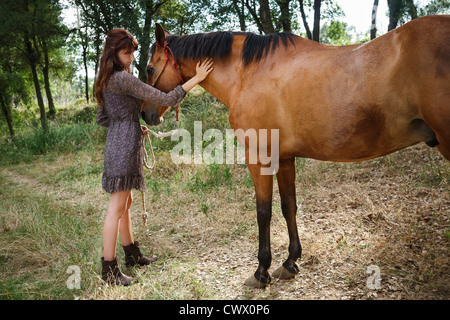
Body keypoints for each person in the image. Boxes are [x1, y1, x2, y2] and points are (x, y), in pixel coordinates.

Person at [94, 28, 213, 286]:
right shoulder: (124, 80)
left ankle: (132, 254)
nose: (132, 58)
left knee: (125, 205)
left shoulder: (105, 80)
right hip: (125, 147)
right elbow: (167, 97)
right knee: (116, 209)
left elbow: (103, 118)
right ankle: (109, 271)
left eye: (134, 52)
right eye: (128, 53)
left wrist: (128, 124)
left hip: (116, 144)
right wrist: (197, 77)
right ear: (115, 52)